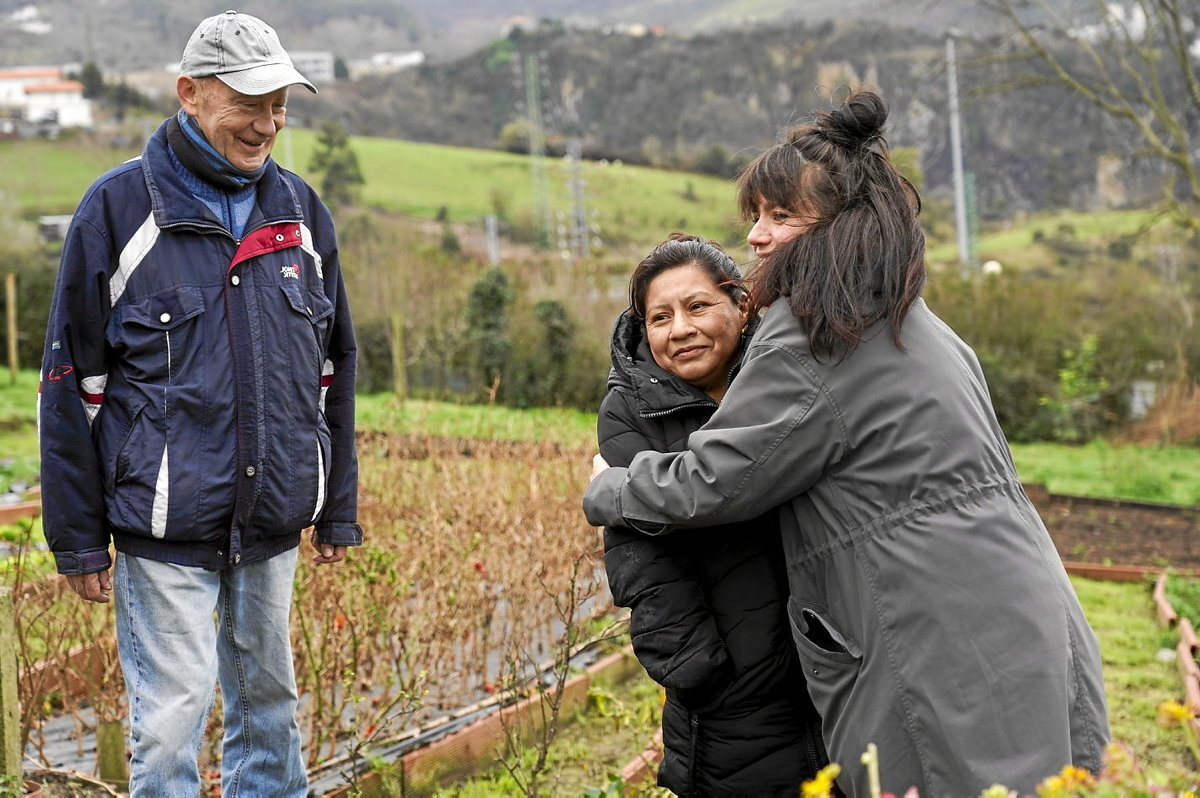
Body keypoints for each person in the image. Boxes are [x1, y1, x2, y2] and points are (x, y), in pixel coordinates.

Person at [584, 89, 1109, 796]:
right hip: (1019, 601)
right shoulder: (911, 319)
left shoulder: (811, 338)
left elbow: (718, 478)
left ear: (837, 224)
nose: (756, 238)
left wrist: (609, 486)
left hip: (931, 625)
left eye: (779, 216)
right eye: (755, 218)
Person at [38, 11, 361, 796]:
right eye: (249, 102)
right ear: (189, 92)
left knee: (271, 708)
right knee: (171, 721)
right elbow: (68, 383)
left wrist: (337, 505)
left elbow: (334, 368)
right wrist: (77, 538)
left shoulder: (300, 212)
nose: (268, 123)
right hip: (165, 524)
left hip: (273, 518)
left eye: (280, 103)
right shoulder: (117, 211)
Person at [600, 233, 828, 796]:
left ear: (741, 305)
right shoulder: (631, 410)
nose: (679, 329)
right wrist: (697, 672)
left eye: (697, 306)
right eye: (659, 317)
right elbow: (641, 555)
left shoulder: (786, 381)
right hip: (729, 684)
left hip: (831, 657)